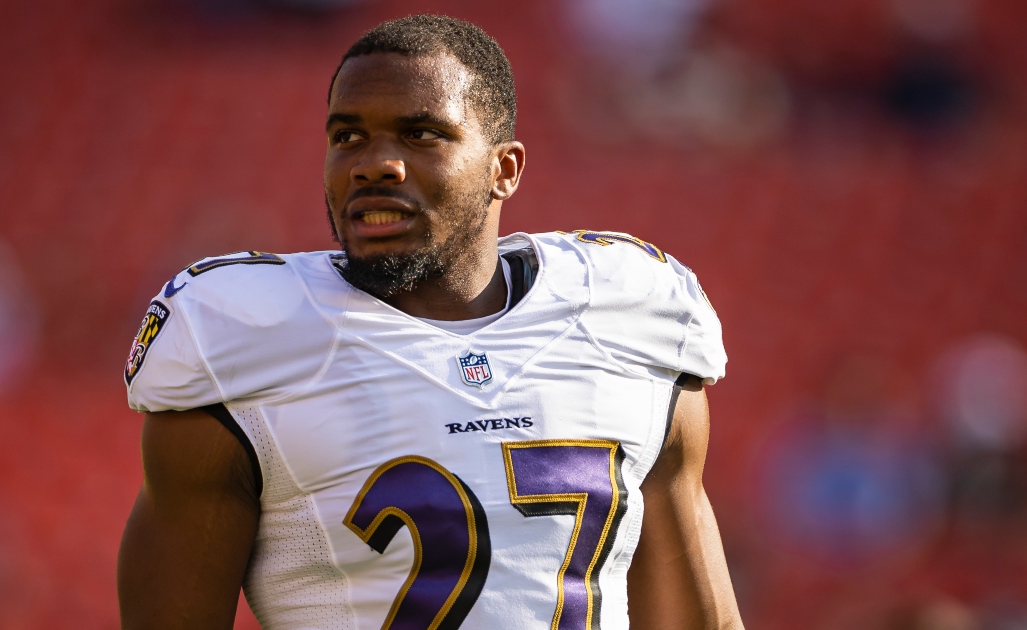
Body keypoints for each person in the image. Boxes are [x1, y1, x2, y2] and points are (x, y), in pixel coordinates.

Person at [117, 14, 743, 630]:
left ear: (505, 169)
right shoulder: (246, 338)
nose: (373, 164)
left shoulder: (625, 322)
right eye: (348, 136)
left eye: (420, 135)